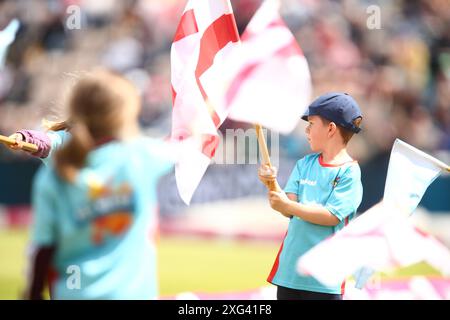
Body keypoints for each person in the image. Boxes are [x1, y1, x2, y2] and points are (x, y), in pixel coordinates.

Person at [9, 69, 175, 299]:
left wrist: (33, 293)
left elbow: (44, 249)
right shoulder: (140, 156)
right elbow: (46, 141)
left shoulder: (50, 178)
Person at [259, 92, 364, 300]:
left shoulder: (349, 172)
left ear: (331, 128)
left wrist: (288, 207)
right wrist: (271, 183)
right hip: (290, 273)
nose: (306, 130)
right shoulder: (304, 164)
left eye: (312, 124)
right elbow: (286, 206)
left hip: (324, 279)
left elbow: (331, 215)